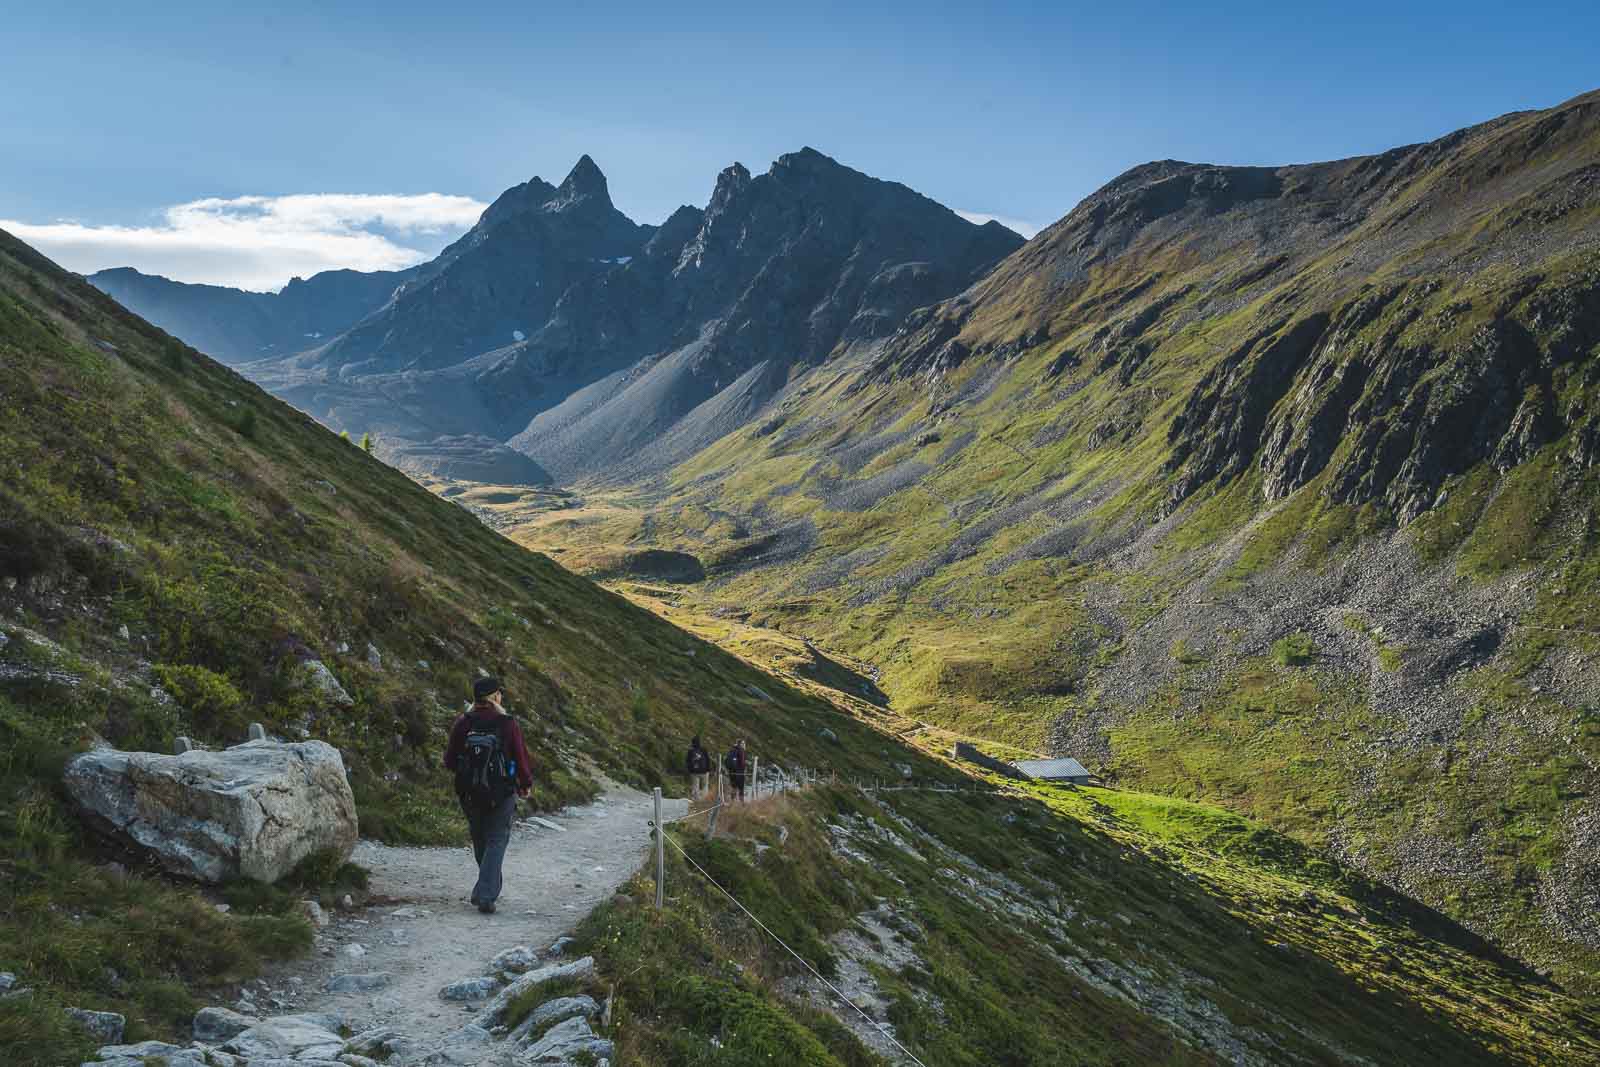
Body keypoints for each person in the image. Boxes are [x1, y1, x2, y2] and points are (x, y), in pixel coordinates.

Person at [443, 676, 533, 914]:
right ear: (495, 697)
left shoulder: (464, 722)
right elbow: (520, 757)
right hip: (501, 791)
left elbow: (449, 761)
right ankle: (486, 894)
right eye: (499, 693)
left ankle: (486, 887)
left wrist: (468, 773)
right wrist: (524, 783)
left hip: (469, 793)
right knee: (497, 839)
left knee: (480, 838)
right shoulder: (507, 724)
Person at [685, 735, 711, 799]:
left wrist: (690, 770)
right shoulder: (704, 749)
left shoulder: (690, 751)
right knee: (704, 786)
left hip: (694, 772)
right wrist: (708, 769)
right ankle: (704, 799)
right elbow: (707, 759)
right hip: (704, 771)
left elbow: (687, 761)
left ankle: (696, 799)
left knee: (695, 786)